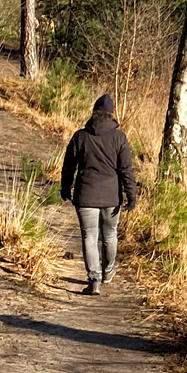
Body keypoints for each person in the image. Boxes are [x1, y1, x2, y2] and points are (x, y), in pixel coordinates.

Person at [60, 94, 138, 295]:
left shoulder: (80, 136)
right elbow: (126, 170)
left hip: (86, 194)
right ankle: (108, 270)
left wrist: (65, 187)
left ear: (94, 112)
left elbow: (68, 167)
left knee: (89, 236)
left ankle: (93, 279)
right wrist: (131, 195)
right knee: (110, 235)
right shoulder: (119, 138)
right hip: (111, 196)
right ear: (111, 115)